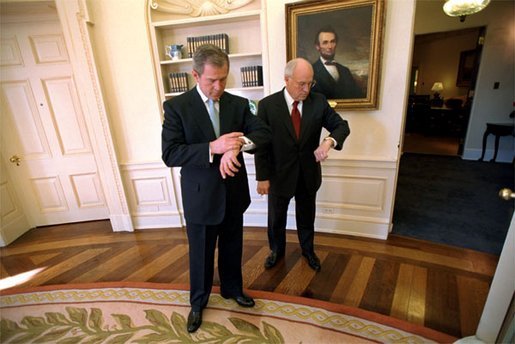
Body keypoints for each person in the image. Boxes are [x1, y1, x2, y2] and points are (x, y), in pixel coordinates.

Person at [161, 44, 271, 333]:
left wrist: (237, 147)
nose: (219, 86)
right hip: (200, 197)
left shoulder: (238, 104)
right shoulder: (177, 107)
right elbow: (170, 153)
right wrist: (213, 147)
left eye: (224, 78)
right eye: (212, 80)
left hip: (233, 194)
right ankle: (198, 301)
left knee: (233, 247)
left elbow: (262, 133)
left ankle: (232, 289)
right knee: (201, 253)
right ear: (195, 75)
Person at [255, 58, 350, 272]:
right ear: (287, 80)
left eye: (310, 83)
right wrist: (262, 177)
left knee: (306, 218)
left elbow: (341, 126)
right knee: (276, 219)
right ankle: (276, 252)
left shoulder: (318, 102)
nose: (306, 89)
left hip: (308, 175)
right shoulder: (268, 106)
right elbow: (261, 145)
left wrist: (329, 141)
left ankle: (308, 251)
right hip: (279, 176)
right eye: (301, 84)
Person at [311, 26, 364, 99]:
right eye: (325, 42)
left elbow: (357, 97)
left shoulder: (345, 71)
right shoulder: (311, 71)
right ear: (317, 46)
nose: (330, 46)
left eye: (332, 42)